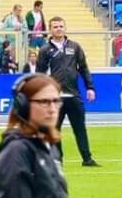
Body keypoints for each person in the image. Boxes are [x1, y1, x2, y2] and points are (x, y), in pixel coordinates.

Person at [33, 17, 98, 167]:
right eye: (55, 27)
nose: (59, 29)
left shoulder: (74, 47)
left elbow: (83, 68)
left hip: (74, 95)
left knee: (80, 128)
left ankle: (87, 159)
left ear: (65, 28)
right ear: (50, 30)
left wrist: (90, 87)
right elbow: (40, 74)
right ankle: (57, 161)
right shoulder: (45, 50)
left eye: (61, 26)